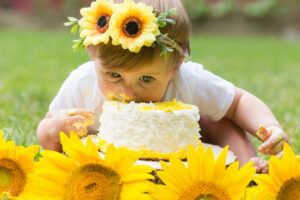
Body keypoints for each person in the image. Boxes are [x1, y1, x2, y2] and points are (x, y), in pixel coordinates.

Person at [37, 0, 289, 173]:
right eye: (114, 75)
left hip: (184, 158)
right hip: (109, 165)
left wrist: (269, 127)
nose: (128, 93)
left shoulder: (187, 81)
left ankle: (246, 165)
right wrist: (54, 128)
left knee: (218, 119)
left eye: (146, 79)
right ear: (93, 54)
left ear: (176, 66)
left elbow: (237, 102)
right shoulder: (83, 84)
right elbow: (46, 131)